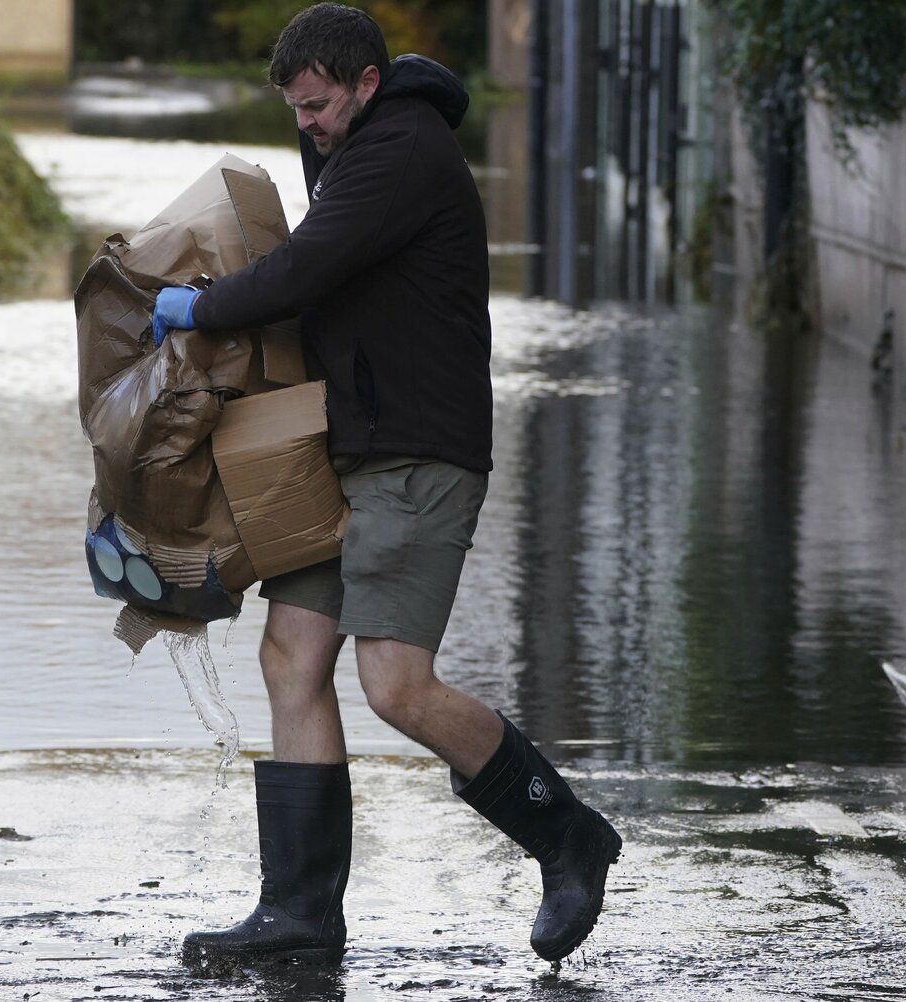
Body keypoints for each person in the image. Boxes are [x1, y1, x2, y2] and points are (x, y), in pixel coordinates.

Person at [150, 2, 621, 967]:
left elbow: (305, 269)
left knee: (395, 684)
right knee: (290, 656)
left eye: (318, 106)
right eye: (295, 110)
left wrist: (198, 306)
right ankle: (301, 915)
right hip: (349, 449)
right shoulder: (356, 145)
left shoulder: (401, 151)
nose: (307, 125)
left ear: (366, 84)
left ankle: (567, 833)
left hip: (419, 454)